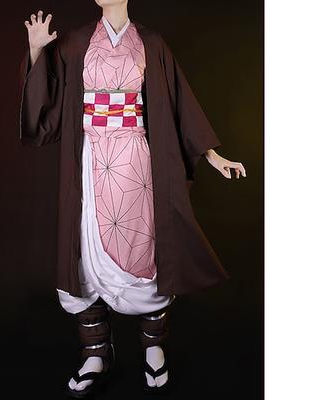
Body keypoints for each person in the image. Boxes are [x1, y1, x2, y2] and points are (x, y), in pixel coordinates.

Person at [20, 0, 246, 397]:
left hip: (136, 162)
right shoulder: (75, 42)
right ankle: (96, 352)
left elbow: (178, 102)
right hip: (89, 159)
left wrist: (213, 155)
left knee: (143, 252)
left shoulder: (151, 42)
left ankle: (154, 347)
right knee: (83, 252)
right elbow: (49, 107)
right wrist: (37, 50)